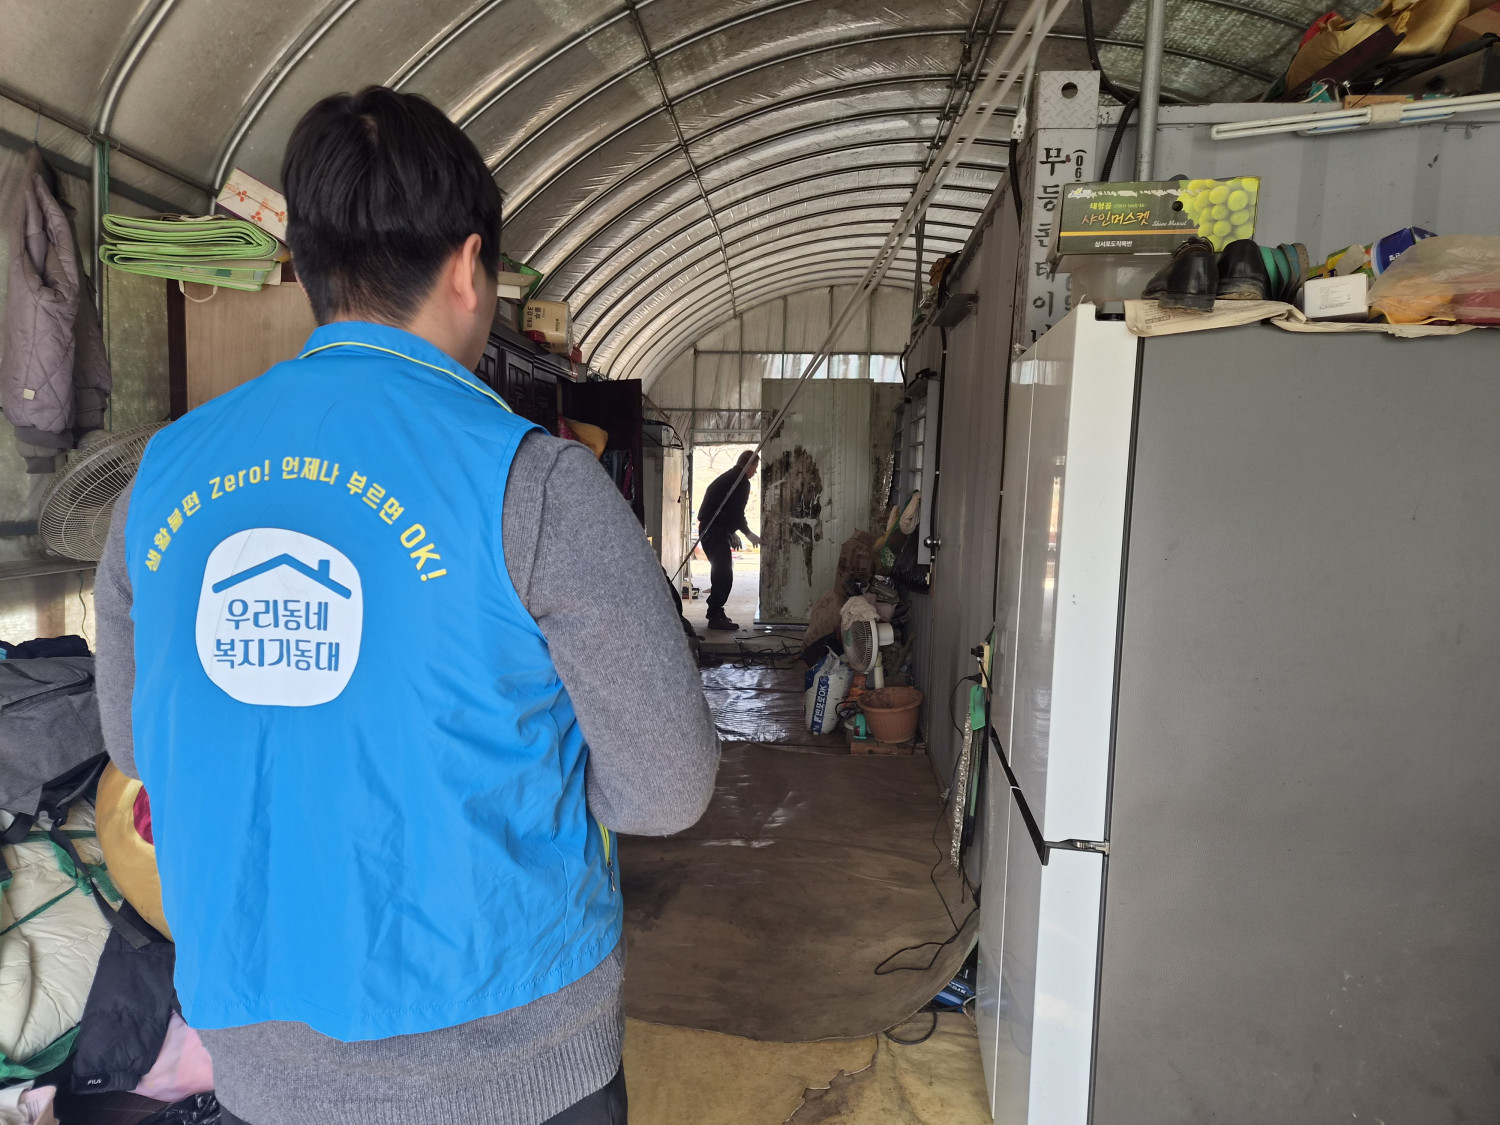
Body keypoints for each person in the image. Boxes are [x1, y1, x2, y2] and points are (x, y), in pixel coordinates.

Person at [92, 86, 720, 1125]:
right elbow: (665, 789)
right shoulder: (535, 484)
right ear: (470, 266)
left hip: (265, 1063)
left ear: (308, 267)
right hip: (512, 1062)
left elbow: (137, 741)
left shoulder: (158, 479)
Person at [696, 450, 761, 631]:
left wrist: (731, 533)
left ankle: (717, 611)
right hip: (713, 530)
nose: (755, 472)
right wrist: (749, 534)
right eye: (755, 467)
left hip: (711, 529)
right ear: (748, 466)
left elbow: (724, 510)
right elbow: (736, 514)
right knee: (724, 575)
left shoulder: (729, 477)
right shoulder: (740, 482)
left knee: (721, 572)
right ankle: (715, 615)